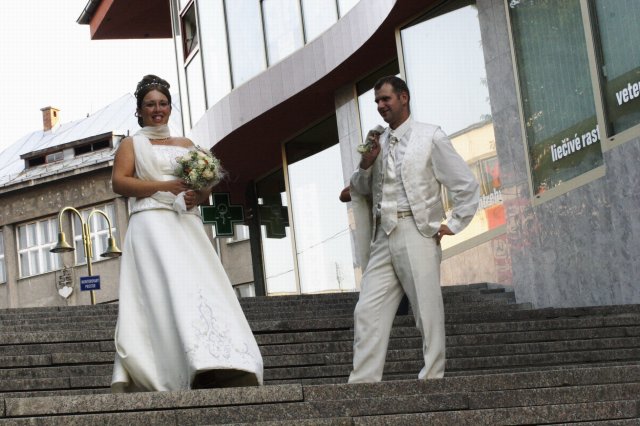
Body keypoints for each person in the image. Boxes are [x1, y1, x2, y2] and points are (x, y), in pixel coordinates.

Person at [110, 75, 263, 392]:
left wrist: (199, 195)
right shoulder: (131, 144)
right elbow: (120, 182)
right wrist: (163, 186)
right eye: (150, 105)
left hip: (184, 222)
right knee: (164, 291)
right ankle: (173, 366)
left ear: (170, 107)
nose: (157, 110)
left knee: (199, 287)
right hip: (151, 224)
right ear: (139, 111)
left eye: (163, 103)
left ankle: (212, 359)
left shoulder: (187, 145)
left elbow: (204, 187)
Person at [348, 76, 479, 383]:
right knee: (367, 310)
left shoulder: (430, 136)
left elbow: (465, 183)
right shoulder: (376, 142)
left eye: (386, 99)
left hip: (417, 231)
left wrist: (454, 224)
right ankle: (363, 383)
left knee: (427, 312)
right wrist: (366, 162)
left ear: (403, 98)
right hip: (383, 235)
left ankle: (432, 377)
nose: (380, 106)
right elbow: (360, 188)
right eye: (377, 101)